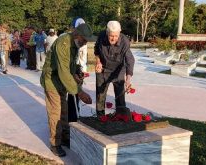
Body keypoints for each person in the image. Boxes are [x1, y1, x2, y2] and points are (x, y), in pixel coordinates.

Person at [40, 23, 94, 157]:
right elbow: (63, 72)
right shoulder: (63, 43)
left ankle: (64, 137)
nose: (85, 43)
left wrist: (77, 70)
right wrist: (79, 92)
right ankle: (55, 144)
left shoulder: (75, 45)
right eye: (84, 40)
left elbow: (70, 65)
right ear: (77, 35)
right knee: (55, 113)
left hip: (62, 82)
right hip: (51, 80)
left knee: (64, 112)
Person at [95, 21, 135, 118]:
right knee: (100, 96)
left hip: (118, 70)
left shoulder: (125, 41)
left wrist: (128, 79)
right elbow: (96, 50)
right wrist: (98, 62)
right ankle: (100, 118)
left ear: (119, 33)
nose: (114, 38)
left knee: (120, 97)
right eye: (111, 36)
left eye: (116, 36)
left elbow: (130, 59)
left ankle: (121, 118)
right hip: (103, 70)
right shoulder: (101, 36)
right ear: (107, 33)